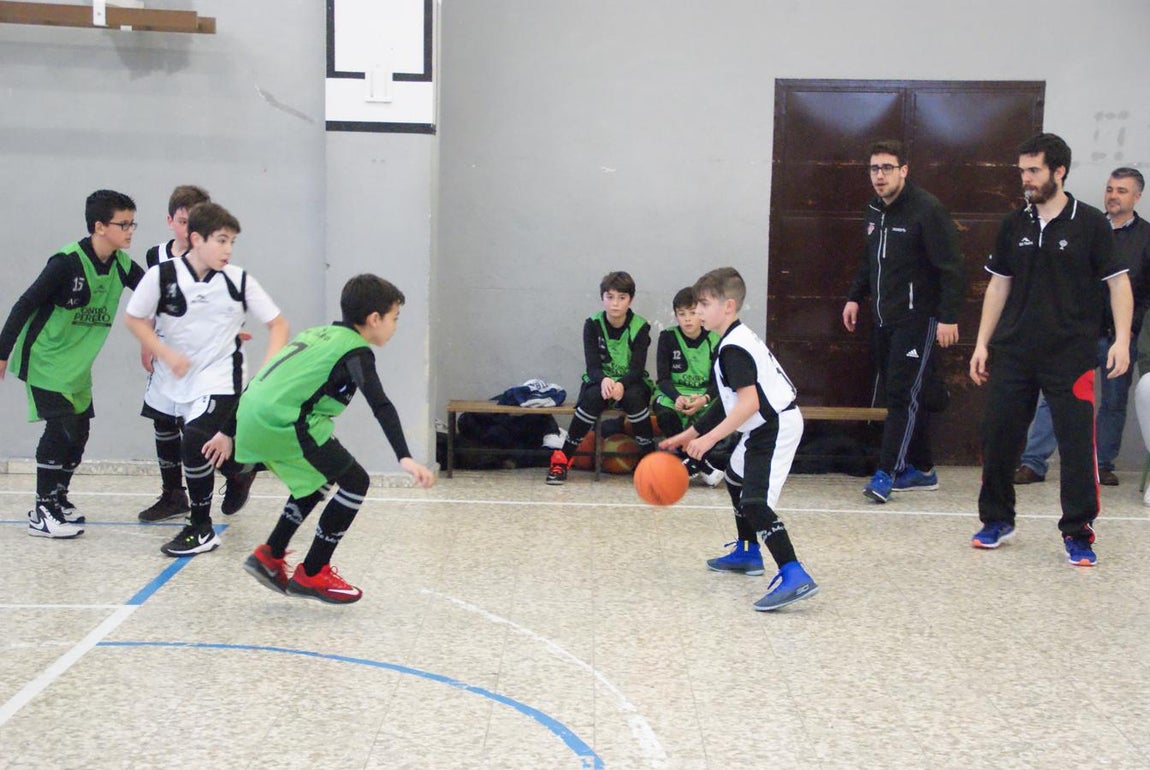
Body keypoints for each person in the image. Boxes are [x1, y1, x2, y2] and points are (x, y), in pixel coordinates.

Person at [204, 274, 434, 604]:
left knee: (319, 479)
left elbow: (262, 379)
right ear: (374, 319)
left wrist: (228, 429)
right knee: (355, 481)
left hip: (254, 414)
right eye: (394, 318)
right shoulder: (355, 350)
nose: (395, 326)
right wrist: (404, 456)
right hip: (283, 421)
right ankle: (313, 572)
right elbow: (380, 404)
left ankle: (270, 555)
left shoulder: (317, 335)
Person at [970, 133, 1132, 566]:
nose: (1025, 178)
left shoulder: (1091, 223)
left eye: (1034, 170)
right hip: (1014, 351)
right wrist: (982, 342)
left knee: (1077, 446)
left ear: (1059, 171)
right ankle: (996, 519)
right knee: (997, 436)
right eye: (1022, 170)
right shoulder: (1014, 224)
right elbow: (998, 285)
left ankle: (1078, 532)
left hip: (1070, 354)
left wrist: (1120, 340)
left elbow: (1118, 283)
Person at [123, 202, 289, 557]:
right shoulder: (162, 276)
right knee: (202, 446)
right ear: (197, 239)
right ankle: (241, 468)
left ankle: (200, 528)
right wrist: (164, 353)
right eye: (221, 240)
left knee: (195, 441)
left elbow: (278, 324)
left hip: (222, 378)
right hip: (177, 379)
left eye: (232, 242)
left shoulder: (238, 280)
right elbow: (134, 318)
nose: (228, 249)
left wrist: (267, 370)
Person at [662, 267, 817, 611]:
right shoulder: (733, 339)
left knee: (755, 502)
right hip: (762, 425)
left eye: (704, 304)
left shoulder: (733, 348)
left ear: (728, 306)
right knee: (734, 475)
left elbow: (749, 403)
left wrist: (708, 441)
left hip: (775, 427)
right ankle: (748, 551)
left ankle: (794, 573)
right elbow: (727, 402)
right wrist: (689, 434)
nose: (698, 311)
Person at [0, 190, 147, 538]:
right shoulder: (66, 263)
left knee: (79, 433)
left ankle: (59, 498)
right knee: (61, 429)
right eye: (123, 224)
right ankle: (42, 511)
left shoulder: (122, 265)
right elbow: (25, 304)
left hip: (77, 367)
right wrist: (2, 352)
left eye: (132, 224)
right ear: (99, 226)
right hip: (45, 358)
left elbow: (154, 294)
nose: (130, 231)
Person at [843, 139, 966, 504]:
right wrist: (855, 296)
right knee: (912, 392)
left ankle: (887, 473)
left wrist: (948, 317)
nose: (879, 176)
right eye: (874, 169)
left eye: (887, 168)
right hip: (884, 318)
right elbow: (869, 260)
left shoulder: (927, 210)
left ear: (904, 170)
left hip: (917, 319)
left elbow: (952, 268)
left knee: (900, 394)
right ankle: (923, 470)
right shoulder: (874, 209)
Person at [1014, 167, 1150, 486]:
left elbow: (1145, 294)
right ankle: (1034, 463)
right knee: (1055, 395)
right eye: (1110, 189)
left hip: (1119, 336)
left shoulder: (1147, 237)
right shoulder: (1087, 227)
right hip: (1077, 332)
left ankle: (1100, 464)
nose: (1113, 196)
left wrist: (1130, 328)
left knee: (1113, 402)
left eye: (1121, 191)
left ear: (1137, 197)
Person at [136, 184, 212, 522]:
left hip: (199, 355)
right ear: (170, 221)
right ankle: (172, 494)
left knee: (196, 430)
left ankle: (237, 475)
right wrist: (146, 341)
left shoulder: (211, 257)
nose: (189, 230)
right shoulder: (155, 255)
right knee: (163, 421)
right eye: (183, 222)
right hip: (165, 352)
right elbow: (150, 302)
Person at [546, 271, 655, 484]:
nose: (615, 303)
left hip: (630, 381)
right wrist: (604, 379)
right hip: (600, 380)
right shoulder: (593, 324)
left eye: (622, 297)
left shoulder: (640, 327)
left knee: (634, 398)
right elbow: (593, 366)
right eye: (610, 297)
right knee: (592, 397)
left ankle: (650, 461)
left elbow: (637, 368)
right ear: (602, 297)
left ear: (631, 299)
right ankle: (562, 460)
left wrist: (621, 384)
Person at [652, 286, 723, 486]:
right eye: (682, 314)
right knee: (664, 413)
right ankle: (697, 463)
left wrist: (704, 399)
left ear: (701, 313)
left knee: (721, 410)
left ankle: (690, 463)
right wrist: (677, 397)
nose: (687, 319)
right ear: (676, 315)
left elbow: (719, 381)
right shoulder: (667, 337)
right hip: (675, 393)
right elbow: (663, 379)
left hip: (703, 395)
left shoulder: (715, 340)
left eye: (692, 313)